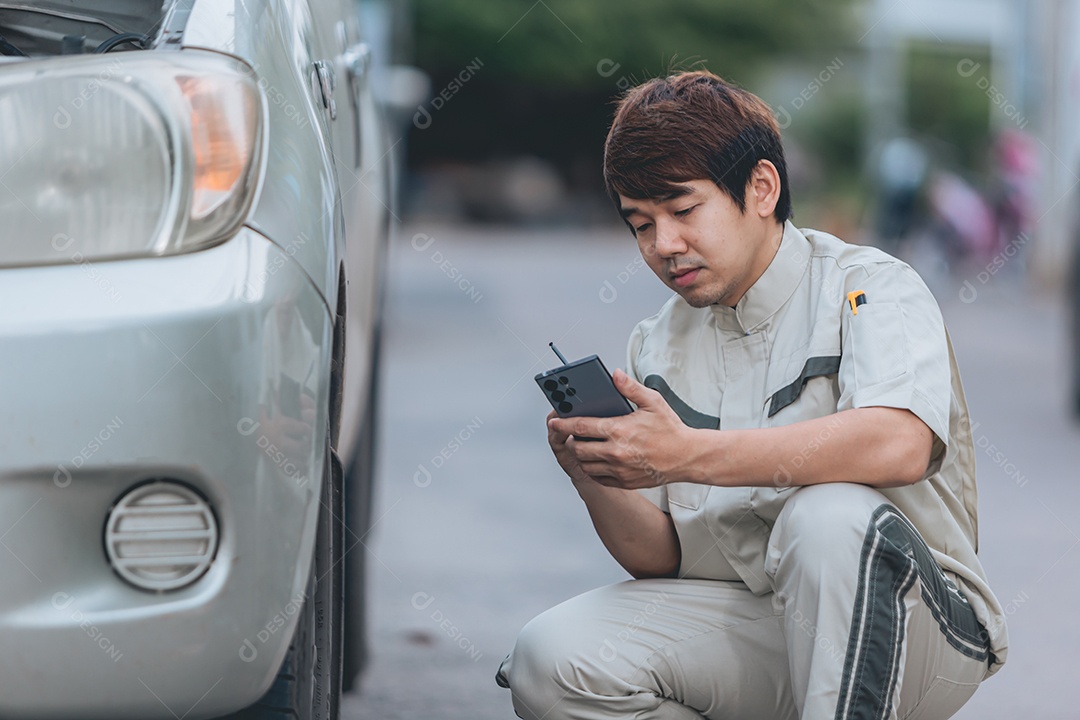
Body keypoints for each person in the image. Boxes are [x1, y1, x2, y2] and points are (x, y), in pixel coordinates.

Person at [495, 70, 1007, 720]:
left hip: (918, 625)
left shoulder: (870, 287)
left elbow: (898, 442)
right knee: (551, 659)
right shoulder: (658, 344)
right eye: (640, 224)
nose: (664, 245)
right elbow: (661, 557)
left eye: (683, 211)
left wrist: (686, 454)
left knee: (826, 519)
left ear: (761, 188)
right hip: (760, 620)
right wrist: (596, 473)